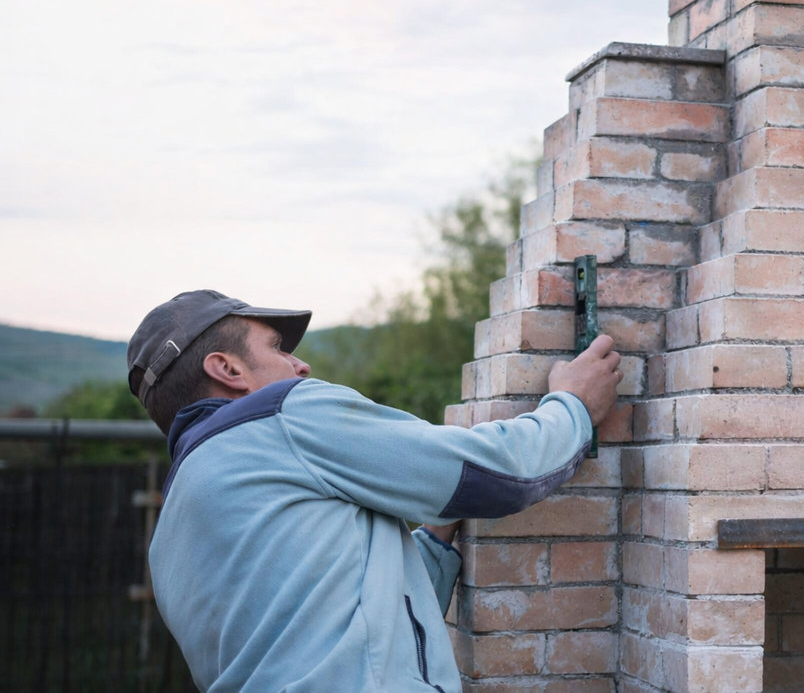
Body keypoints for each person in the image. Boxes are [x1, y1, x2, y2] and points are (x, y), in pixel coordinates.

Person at [126, 289, 621, 693]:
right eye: (277, 348)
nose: (301, 366)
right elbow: (498, 473)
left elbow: (351, 627)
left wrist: (436, 536)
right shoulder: (284, 415)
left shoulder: (170, 534)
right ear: (228, 369)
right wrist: (574, 405)